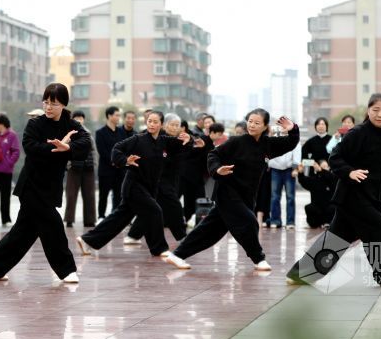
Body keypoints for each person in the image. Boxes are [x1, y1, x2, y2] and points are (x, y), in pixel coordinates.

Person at [286, 94, 381, 288]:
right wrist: (350, 172)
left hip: (370, 197)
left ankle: (300, 273)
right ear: (368, 111)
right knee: (380, 227)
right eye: (375, 110)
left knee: (336, 239)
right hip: (352, 195)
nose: (380, 114)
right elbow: (335, 157)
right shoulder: (358, 133)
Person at [0, 83, 90, 282]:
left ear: (63, 104)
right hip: (32, 185)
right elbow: (31, 148)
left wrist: (68, 148)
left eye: (53, 103)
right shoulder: (35, 124)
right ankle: (67, 270)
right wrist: (57, 148)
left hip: (52, 186)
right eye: (46, 102)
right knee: (53, 224)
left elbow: (86, 142)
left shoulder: (71, 124)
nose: (48, 107)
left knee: (23, 233)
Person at [163, 109, 298, 271]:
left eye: (257, 123)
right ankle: (258, 259)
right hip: (227, 192)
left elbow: (290, 143)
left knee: (209, 232)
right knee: (249, 221)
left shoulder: (267, 145)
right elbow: (213, 154)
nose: (252, 125)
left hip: (246, 196)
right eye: (250, 121)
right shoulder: (237, 141)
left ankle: (176, 255)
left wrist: (293, 128)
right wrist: (218, 169)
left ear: (264, 126)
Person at [76, 110, 191, 260]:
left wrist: (192, 139)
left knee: (119, 219)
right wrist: (125, 161)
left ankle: (86, 240)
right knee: (155, 211)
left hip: (148, 189)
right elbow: (116, 149)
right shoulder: (138, 139)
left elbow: (181, 145)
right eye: (149, 121)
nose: (151, 124)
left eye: (155, 122)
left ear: (161, 124)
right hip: (134, 186)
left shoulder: (163, 141)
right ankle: (159, 248)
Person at [125, 113, 190, 245]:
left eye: (177, 125)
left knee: (152, 208)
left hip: (170, 180)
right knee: (174, 207)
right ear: (164, 125)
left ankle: (133, 235)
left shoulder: (176, 140)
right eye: (172, 124)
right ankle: (182, 237)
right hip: (157, 180)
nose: (174, 128)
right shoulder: (156, 138)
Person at [299, 117, 334, 228]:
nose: (321, 126)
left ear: (327, 126)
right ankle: (317, 220)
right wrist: (313, 164)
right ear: (315, 127)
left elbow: (338, 156)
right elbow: (303, 159)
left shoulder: (333, 139)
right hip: (315, 174)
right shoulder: (311, 142)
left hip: (330, 174)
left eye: (323, 124)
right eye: (318, 124)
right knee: (315, 198)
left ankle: (329, 220)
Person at [64, 111, 97, 228]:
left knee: (90, 195)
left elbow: (94, 150)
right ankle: (69, 220)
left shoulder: (88, 134)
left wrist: (94, 164)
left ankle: (90, 220)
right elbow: (65, 150)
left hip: (88, 168)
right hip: (73, 168)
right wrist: (68, 165)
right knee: (71, 195)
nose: (79, 120)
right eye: (76, 118)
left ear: (84, 119)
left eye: (81, 118)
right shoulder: (68, 134)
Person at [95, 106, 128, 218]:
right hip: (106, 169)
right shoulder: (100, 133)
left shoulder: (121, 132)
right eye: (117, 115)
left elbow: (124, 149)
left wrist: (120, 161)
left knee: (118, 194)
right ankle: (101, 216)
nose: (119, 117)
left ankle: (116, 216)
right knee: (103, 195)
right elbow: (102, 151)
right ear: (109, 116)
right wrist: (113, 161)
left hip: (120, 169)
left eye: (119, 115)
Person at [267, 131, 300, 229]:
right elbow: (268, 151)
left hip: (289, 170)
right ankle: (275, 220)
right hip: (275, 170)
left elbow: (297, 153)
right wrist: (268, 164)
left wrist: (295, 168)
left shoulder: (294, 138)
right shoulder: (274, 138)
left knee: (290, 197)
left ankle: (290, 222)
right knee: (274, 197)